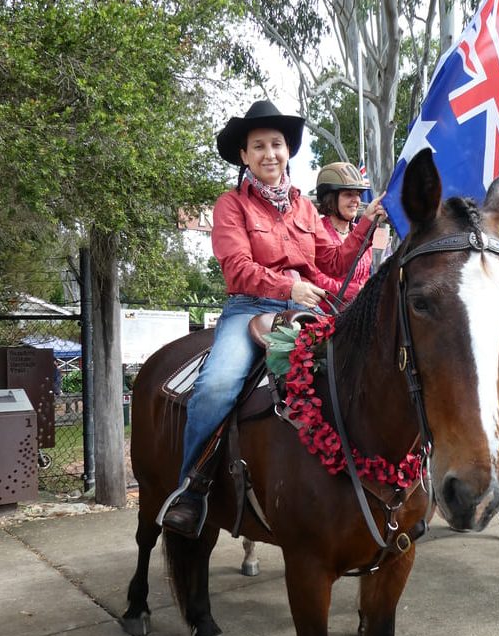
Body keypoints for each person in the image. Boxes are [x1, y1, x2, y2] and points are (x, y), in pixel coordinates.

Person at [161, 100, 385, 538]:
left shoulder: (304, 209)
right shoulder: (230, 205)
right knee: (216, 386)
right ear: (244, 155)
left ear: (288, 151)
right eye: (258, 146)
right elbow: (236, 268)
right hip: (250, 310)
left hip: (308, 309)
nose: (269, 154)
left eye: (277, 145)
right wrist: (288, 288)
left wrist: (365, 223)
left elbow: (336, 262)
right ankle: (192, 487)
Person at [313, 161, 375, 306]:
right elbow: (315, 278)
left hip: (359, 310)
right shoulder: (316, 231)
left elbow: (366, 277)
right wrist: (353, 290)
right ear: (330, 199)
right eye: (348, 194)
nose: (356, 200)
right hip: (323, 314)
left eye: (358, 194)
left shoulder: (362, 231)